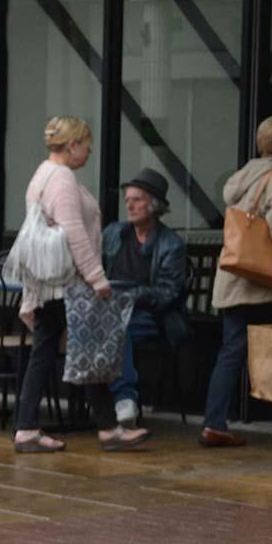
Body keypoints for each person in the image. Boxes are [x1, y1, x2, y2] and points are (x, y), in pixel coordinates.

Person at [12, 117, 150, 452]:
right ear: (72, 145)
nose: (89, 150)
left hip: (51, 284)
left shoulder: (42, 174)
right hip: (66, 285)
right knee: (65, 351)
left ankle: (104, 427)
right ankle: (29, 429)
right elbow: (74, 233)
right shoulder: (61, 178)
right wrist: (97, 279)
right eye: (86, 143)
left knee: (79, 350)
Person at [204, 115, 272, 446]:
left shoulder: (244, 177)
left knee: (231, 351)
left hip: (236, 279)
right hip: (268, 283)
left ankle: (214, 422)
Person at [101, 167, 187, 427]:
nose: (130, 205)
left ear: (154, 205)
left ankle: (125, 400)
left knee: (117, 327)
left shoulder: (171, 244)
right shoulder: (114, 233)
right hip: (110, 310)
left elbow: (167, 293)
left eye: (137, 199)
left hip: (151, 316)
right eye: (127, 199)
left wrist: (129, 296)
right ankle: (94, 409)